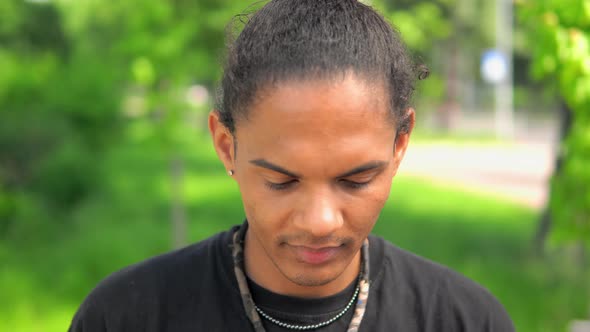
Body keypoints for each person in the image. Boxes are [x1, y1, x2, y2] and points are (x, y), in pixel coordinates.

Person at [69, 0, 515, 331]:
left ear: (400, 145)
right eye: (281, 181)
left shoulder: (464, 320)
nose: (320, 222)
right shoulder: (126, 317)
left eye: (356, 180)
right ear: (227, 147)